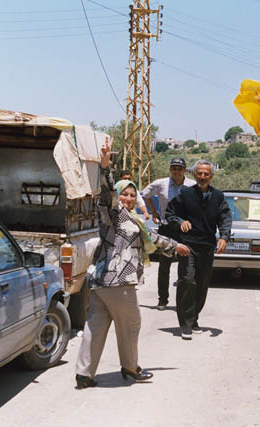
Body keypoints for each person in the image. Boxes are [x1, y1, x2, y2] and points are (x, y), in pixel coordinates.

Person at [74, 137, 190, 389]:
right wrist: (106, 166)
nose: (127, 198)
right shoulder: (113, 214)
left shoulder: (133, 220)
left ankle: (84, 374)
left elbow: (154, 237)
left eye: (132, 195)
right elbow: (107, 193)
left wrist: (176, 246)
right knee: (130, 325)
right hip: (119, 282)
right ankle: (130, 367)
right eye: (124, 193)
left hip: (100, 283)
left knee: (95, 327)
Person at [165, 159, 232, 340]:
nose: (203, 177)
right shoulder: (185, 194)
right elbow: (170, 213)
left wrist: (224, 237)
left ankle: (194, 318)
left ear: (211, 176)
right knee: (187, 280)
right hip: (187, 245)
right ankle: (185, 324)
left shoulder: (218, 196)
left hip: (207, 246)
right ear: (194, 175)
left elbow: (225, 218)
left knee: (201, 285)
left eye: (206, 174)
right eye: (200, 173)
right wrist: (180, 222)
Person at [141, 158, 196, 310]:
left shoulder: (192, 185)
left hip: (185, 230)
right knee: (164, 266)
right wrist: (153, 212)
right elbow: (145, 194)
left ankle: (182, 300)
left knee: (185, 267)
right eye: (174, 168)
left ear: (184, 170)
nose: (176, 171)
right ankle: (162, 300)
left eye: (179, 168)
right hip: (166, 228)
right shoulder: (161, 184)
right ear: (170, 169)